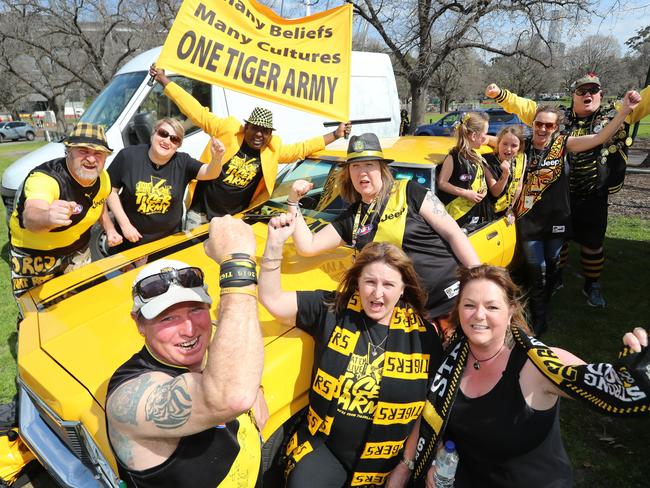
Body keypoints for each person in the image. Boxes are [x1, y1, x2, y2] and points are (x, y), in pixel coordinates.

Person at [407, 264, 650, 487]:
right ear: (458, 308)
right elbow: (436, 418)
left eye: (492, 306)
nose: (479, 315)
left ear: (511, 310)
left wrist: (638, 368)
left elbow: (613, 388)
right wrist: (438, 459)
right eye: (469, 305)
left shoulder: (538, 365)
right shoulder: (452, 359)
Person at [258, 214, 444, 487]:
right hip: (325, 448)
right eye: (369, 282)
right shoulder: (333, 310)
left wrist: (406, 464)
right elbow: (273, 299)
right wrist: (273, 246)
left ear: (403, 288)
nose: (377, 294)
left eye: (389, 284)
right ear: (357, 281)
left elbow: (429, 407)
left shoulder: (424, 337)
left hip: (387, 461)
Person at [105, 216, 264, 487]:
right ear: (139, 323)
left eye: (195, 310)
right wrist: (237, 262)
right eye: (167, 318)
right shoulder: (129, 398)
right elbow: (234, 397)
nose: (189, 329)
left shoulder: (217, 350)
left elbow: (249, 397)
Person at [486, 75, 650, 307]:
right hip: (558, 196)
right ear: (573, 95)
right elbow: (526, 107)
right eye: (582, 91)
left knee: (592, 244)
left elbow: (643, 101)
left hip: (594, 195)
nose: (587, 95)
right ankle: (556, 279)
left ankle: (592, 284)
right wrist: (501, 95)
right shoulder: (555, 119)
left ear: (601, 95)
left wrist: (627, 107)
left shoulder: (617, 114)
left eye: (593, 91)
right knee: (558, 240)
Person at [286, 132, 480, 327]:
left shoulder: (410, 191)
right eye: (355, 166)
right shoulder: (353, 218)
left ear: (381, 168)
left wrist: (477, 277)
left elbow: (453, 233)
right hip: (413, 315)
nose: (362, 172)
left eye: (369, 164)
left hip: (453, 301)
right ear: (348, 173)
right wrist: (293, 201)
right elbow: (308, 246)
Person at [148, 64, 351, 229]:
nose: (259, 135)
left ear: (271, 134)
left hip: (236, 218)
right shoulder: (228, 129)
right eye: (255, 129)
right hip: (200, 213)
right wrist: (165, 81)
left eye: (265, 131)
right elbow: (196, 112)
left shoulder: (273, 149)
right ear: (246, 127)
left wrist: (334, 134)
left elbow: (302, 148)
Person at [509, 92, 640, 336]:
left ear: (556, 127)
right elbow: (496, 142)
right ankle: (539, 320)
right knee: (538, 271)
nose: (543, 129)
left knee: (553, 268)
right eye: (539, 124)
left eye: (549, 125)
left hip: (557, 220)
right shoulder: (523, 146)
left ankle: (545, 309)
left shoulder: (564, 144)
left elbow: (601, 136)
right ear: (533, 125)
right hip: (530, 220)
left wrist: (624, 111)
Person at [9, 123, 112, 296]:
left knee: (81, 301)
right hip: (36, 257)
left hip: (78, 249)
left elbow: (100, 202)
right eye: (83, 151)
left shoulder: (103, 177)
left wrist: (110, 228)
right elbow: (31, 215)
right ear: (68, 151)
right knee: (38, 315)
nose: (92, 159)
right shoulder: (45, 178)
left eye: (98, 153)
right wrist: (47, 217)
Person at [103, 118, 225, 253]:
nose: (167, 141)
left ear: (178, 145)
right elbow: (110, 191)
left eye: (174, 139)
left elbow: (210, 173)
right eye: (163, 133)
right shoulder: (128, 156)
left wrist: (217, 158)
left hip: (168, 241)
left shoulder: (183, 162)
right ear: (153, 134)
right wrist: (125, 225)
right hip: (131, 239)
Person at [436, 112, 494, 228]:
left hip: (474, 215)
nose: (487, 138)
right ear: (473, 136)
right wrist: (466, 193)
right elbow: (442, 183)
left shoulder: (476, 154)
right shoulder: (454, 157)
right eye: (485, 134)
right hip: (457, 218)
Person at [483, 125, 527, 224]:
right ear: (498, 143)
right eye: (505, 144)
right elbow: (495, 192)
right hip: (490, 215)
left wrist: (511, 208)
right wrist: (505, 174)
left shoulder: (521, 158)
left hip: (507, 212)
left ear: (520, 147)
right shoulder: (488, 161)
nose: (508, 149)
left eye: (514, 145)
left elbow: (518, 186)